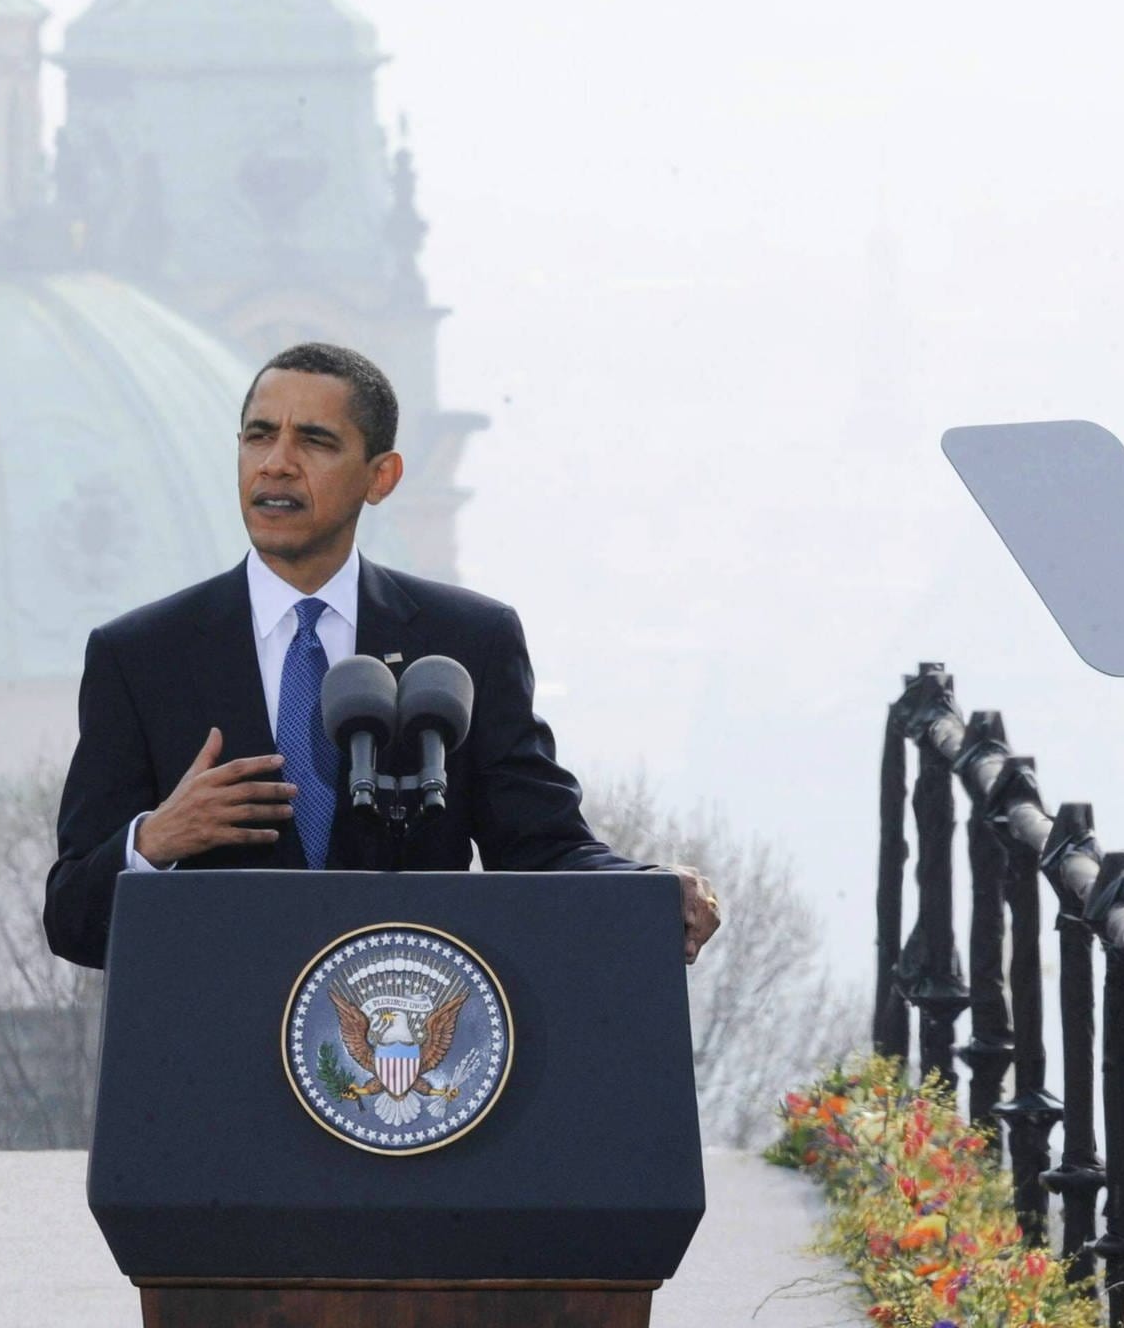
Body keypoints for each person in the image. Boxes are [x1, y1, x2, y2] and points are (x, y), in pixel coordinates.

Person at [42, 341, 723, 971]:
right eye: (258, 435)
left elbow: (540, 845)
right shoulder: (141, 656)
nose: (277, 462)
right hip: (215, 1068)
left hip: (405, 1056)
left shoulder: (467, 641)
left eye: (314, 440)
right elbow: (71, 917)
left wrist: (644, 888)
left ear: (382, 476)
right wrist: (155, 841)